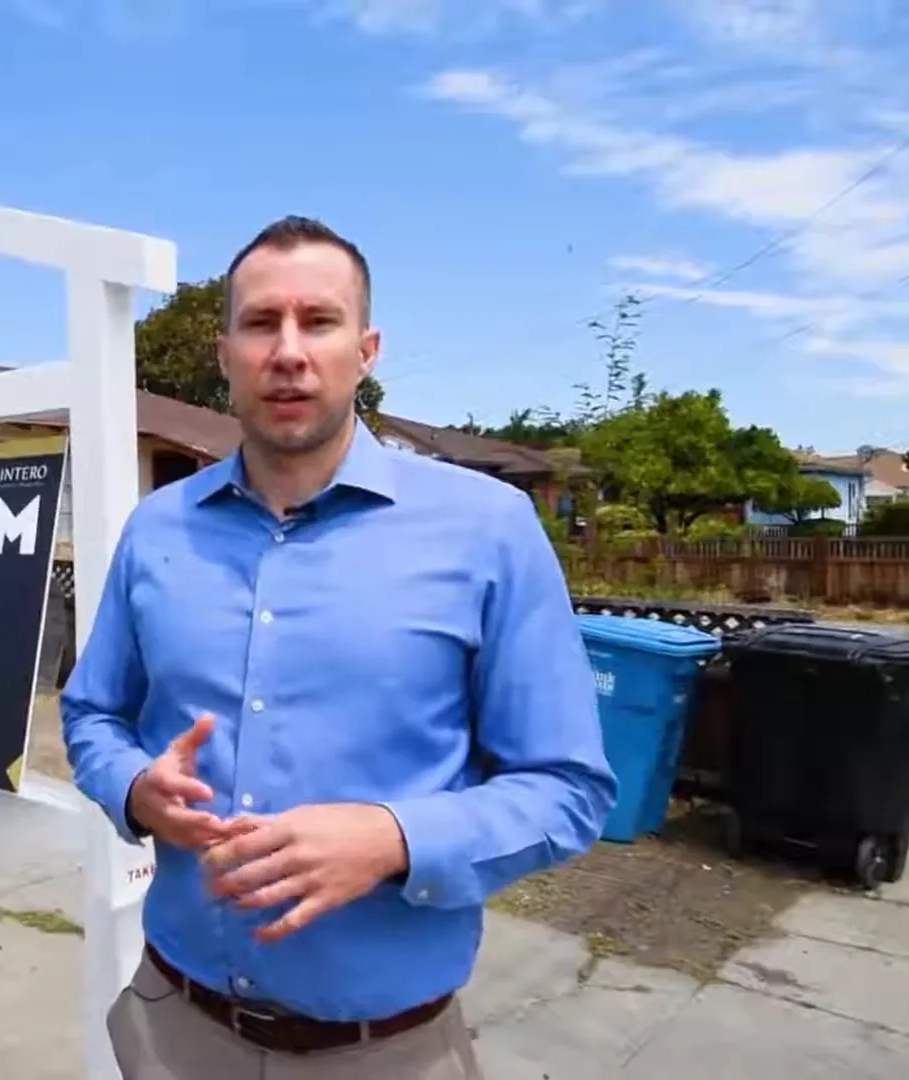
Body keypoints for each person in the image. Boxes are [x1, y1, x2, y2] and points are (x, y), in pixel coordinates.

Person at [60, 215, 618, 1079]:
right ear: (224, 355)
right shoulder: (157, 531)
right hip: (174, 1022)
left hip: (385, 1052)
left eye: (318, 321)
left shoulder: (488, 531)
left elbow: (569, 790)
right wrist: (136, 788)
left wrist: (394, 839)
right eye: (260, 323)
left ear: (366, 348)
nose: (288, 351)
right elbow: (92, 711)